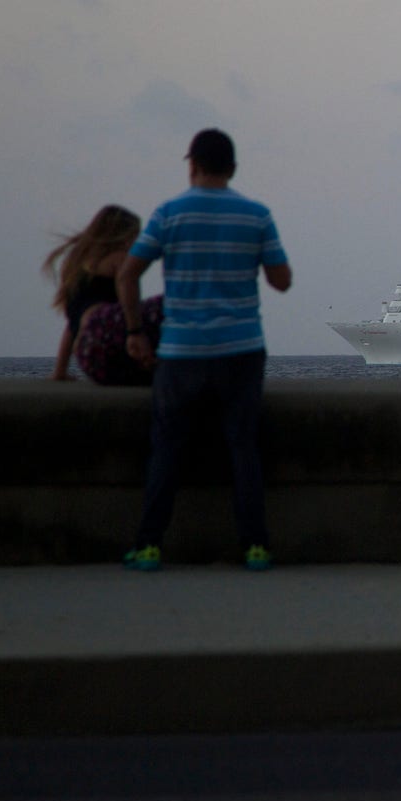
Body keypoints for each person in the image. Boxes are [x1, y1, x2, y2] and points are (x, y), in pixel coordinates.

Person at [116, 129, 291, 573]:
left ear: (191, 165)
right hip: (242, 349)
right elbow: (282, 281)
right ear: (233, 169)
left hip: (181, 351)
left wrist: (135, 331)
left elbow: (127, 274)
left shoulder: (168, 213)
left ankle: (149, 545)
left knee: (167, 447)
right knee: (243, 447)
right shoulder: (257, 215)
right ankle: (256, 547)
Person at [43, 205, 164, 385]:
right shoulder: (120, 258)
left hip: (89, 357)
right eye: (136, 236)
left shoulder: (78, 267)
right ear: (122, 236)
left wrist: (60, 371)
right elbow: (129, 309)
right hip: (104, 330)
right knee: (164, 307)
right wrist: (136, 332)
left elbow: (71, 328)